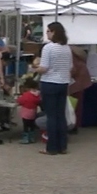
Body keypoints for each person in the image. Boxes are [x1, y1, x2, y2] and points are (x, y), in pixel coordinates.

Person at [33, 22, 72, 156]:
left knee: (51, 116)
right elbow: (70, 67)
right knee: (60, 115)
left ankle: (52, 147)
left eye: (49, 31)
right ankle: (63, 145)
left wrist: (35, 69)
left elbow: (44, 68)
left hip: (49, 82)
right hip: (63, 83)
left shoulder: (48, 48)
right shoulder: (66, 48)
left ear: (54, 32)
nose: (47, 33)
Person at [68, 45, 92, 134]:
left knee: (71, 105)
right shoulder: (77, 50)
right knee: (78, 104)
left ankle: (72, 125)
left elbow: (72, 69)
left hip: (74, 81)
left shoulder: (68, 51)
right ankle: (75, 125)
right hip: (81, 79)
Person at [17, 77, 40, 144]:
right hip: (33, 111)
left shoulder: (27, 95)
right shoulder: (37, 95)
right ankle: (32, 137)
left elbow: (20, 101)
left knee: (26, 126)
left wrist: (18, 100)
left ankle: (25, 138)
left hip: (26, 112)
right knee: (32, 125)